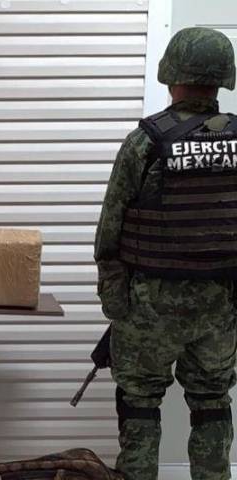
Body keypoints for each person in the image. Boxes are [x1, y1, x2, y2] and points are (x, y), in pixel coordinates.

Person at [95, 27, 237, 480]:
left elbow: (110, 227)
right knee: (212, 403)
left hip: (149, 304)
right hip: (220, 305)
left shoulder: (145, 142)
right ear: (223, 78)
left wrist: (114, 299)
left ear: (171, 75)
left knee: (139, 403)